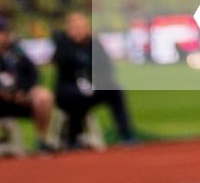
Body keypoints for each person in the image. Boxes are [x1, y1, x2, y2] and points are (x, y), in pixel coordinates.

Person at [0, 11, 57, 159]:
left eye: (3, 32)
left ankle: (42, 140)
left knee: (44, 95)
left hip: (18, 100)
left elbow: (34, 74)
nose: (0, 36)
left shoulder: (16, 51)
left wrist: (23, 91)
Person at [50, 11, 137, 148]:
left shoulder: (94, 44)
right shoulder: (63, 45)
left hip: (94, 87)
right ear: (69, 29)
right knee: (74, 96)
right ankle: (73, 137)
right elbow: (60, 64)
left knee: (115, 90)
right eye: (74, 27)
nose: (78, 30)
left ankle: (126, 133)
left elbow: (107, 67)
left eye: (81, 27)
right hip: (70, 89)